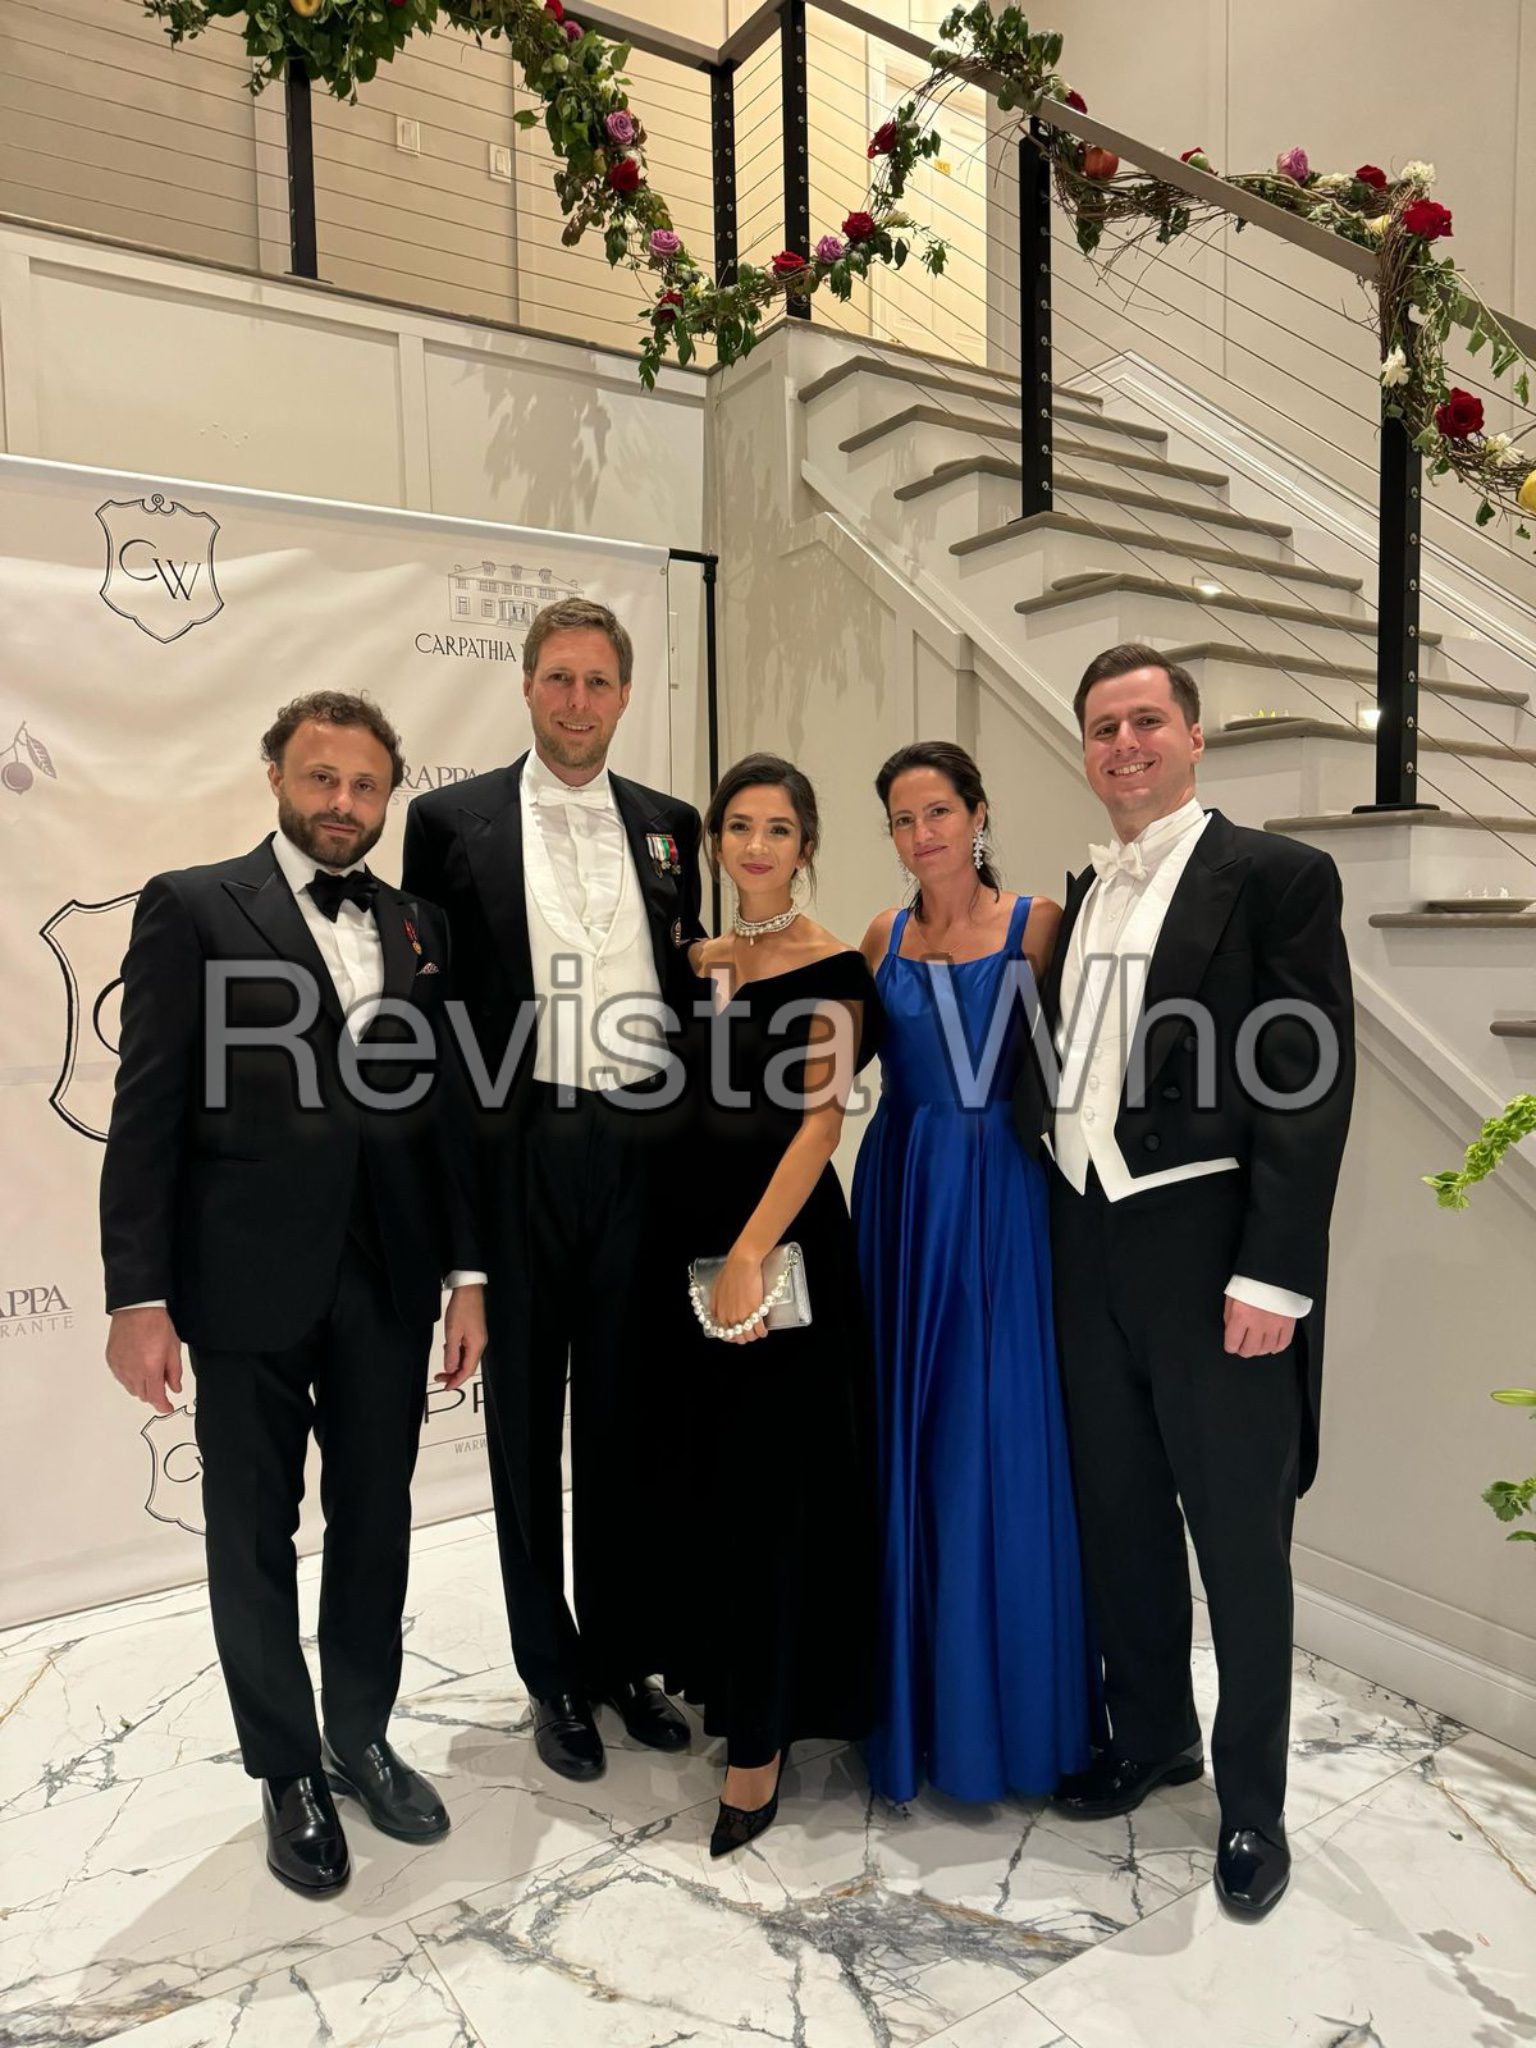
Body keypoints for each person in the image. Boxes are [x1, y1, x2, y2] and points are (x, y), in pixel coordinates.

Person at [100, 691, 487, 1897]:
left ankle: (359, 1734)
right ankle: (287, 1768)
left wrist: (469, 1274)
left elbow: (449, 1113)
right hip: (243, 1275)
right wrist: (137, 1293)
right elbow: (147, 1105)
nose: (343, 803)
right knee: (252, 1531)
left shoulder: (418, 922)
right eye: (322, 777)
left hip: (390, 1276)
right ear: (276, 773)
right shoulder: (192, 905)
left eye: (366, 785)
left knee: (376, 1519)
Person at [1018, 642, 1355, 1921]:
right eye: (1104, 726)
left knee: (1241, 1544)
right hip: (1085, 1242)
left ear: (1194, 736)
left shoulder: (1277, 876)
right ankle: (1152, 1732)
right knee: (1120, 1518)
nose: (1125, 743)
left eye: (1147, 720)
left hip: (1215, 1258)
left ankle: (1253, 1800)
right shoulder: (1079, 894)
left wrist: (1275, 1271)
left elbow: (1306, 1083)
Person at [402, 596, 704, 1783]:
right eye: (560, 678)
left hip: (640, 1149)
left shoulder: (671, 826)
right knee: (525, 1422)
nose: (579, 701)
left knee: (630, 1415)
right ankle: (553, 1673)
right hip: (517, 1147)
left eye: (599, 681)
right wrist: (459, 1236)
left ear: (625, 694)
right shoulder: (449, 822)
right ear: (526, 684)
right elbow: (433, 1027)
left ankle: (625, 1656)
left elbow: (688, 989)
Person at [853, 740, 1094, 1806]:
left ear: (979, 813)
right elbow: (823, 1066)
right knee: (906, 1440)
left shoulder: (1041, 924)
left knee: (991, 1438)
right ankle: (913, 1709)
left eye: (940, 812)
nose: (923, 835)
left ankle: (1006, 1717)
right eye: (904, 820)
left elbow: (1090, 1064)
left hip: (1000, 1198)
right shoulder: (882, 935)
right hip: (902, 1195)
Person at [663, 753, 882, 1857]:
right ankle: (729, 1682)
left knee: (775, 1489)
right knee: (713, 1477)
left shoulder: (834, 967)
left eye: (779, 828)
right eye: (739, 826)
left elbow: (819, 1124)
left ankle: (764, 1741)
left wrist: (751, 1251)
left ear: (807, 846)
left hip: (780, 1242)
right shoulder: (704, 957)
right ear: (715, 841)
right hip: (691, 1241)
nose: (756, 845)